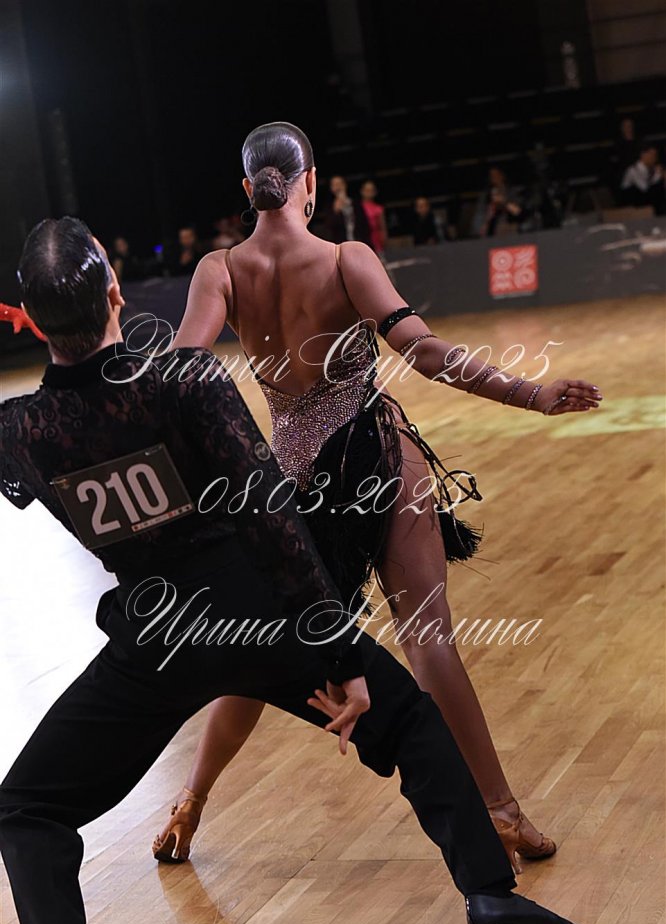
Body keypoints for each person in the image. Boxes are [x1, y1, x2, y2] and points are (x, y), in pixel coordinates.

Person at [0, 218, 584, 924]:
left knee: (27, 811)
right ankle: (490, 892)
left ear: (33, 320)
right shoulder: (186, 382)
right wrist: (339, 653)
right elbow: (270, 515)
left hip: (154, 641)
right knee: (411, 722)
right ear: (115, 292)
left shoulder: (23, 429)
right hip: (261, 619)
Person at [167, 121, 603, 874]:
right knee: (430, 640)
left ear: (248, 188)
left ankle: (190, 802)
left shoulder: (220, 271)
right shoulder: (346, 259)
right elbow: (426, 353)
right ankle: (501, 812)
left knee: (259, 656)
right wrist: (530, 392)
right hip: (378, 463)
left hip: (293, 485)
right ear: (309, 181)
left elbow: (183, 373)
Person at [472, 167, 524, 237]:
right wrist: (485, 222)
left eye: (496, 175)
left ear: (502, 175)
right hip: (492, 232)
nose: (494, 178)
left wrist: (503, 201)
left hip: (511, 229)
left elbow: (518, 211)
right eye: (491, 176)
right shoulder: (486, 196)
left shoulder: (513, 192)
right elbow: (479, 219)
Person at [325, 174, 373, 246]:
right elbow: (329, 227)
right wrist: (336, 211)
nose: (338, 187)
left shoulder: (355, 203)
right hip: (340, 244)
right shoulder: (329, 206)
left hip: (358, 242)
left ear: (345, 185)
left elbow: (364, 224)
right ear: (331, 188)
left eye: (340, 184)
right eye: (335, 185)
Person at [620, 144, 666, 215]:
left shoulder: (650, 169)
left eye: (655, 155)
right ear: (643, 155)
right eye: (652, 155)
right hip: (632, 202)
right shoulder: (633, 170)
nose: (654, 158)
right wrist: (658, 175)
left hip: (645, 199)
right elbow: (644, 188)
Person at [360, 179, 388, 255]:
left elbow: (382, 226)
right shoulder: (358, 208)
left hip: (375, 238)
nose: (368, 192)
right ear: (362, 191)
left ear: (375, 192)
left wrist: (384, 238)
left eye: (371, 190)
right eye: (366, 190)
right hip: (362, 237)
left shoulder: (378, 208)